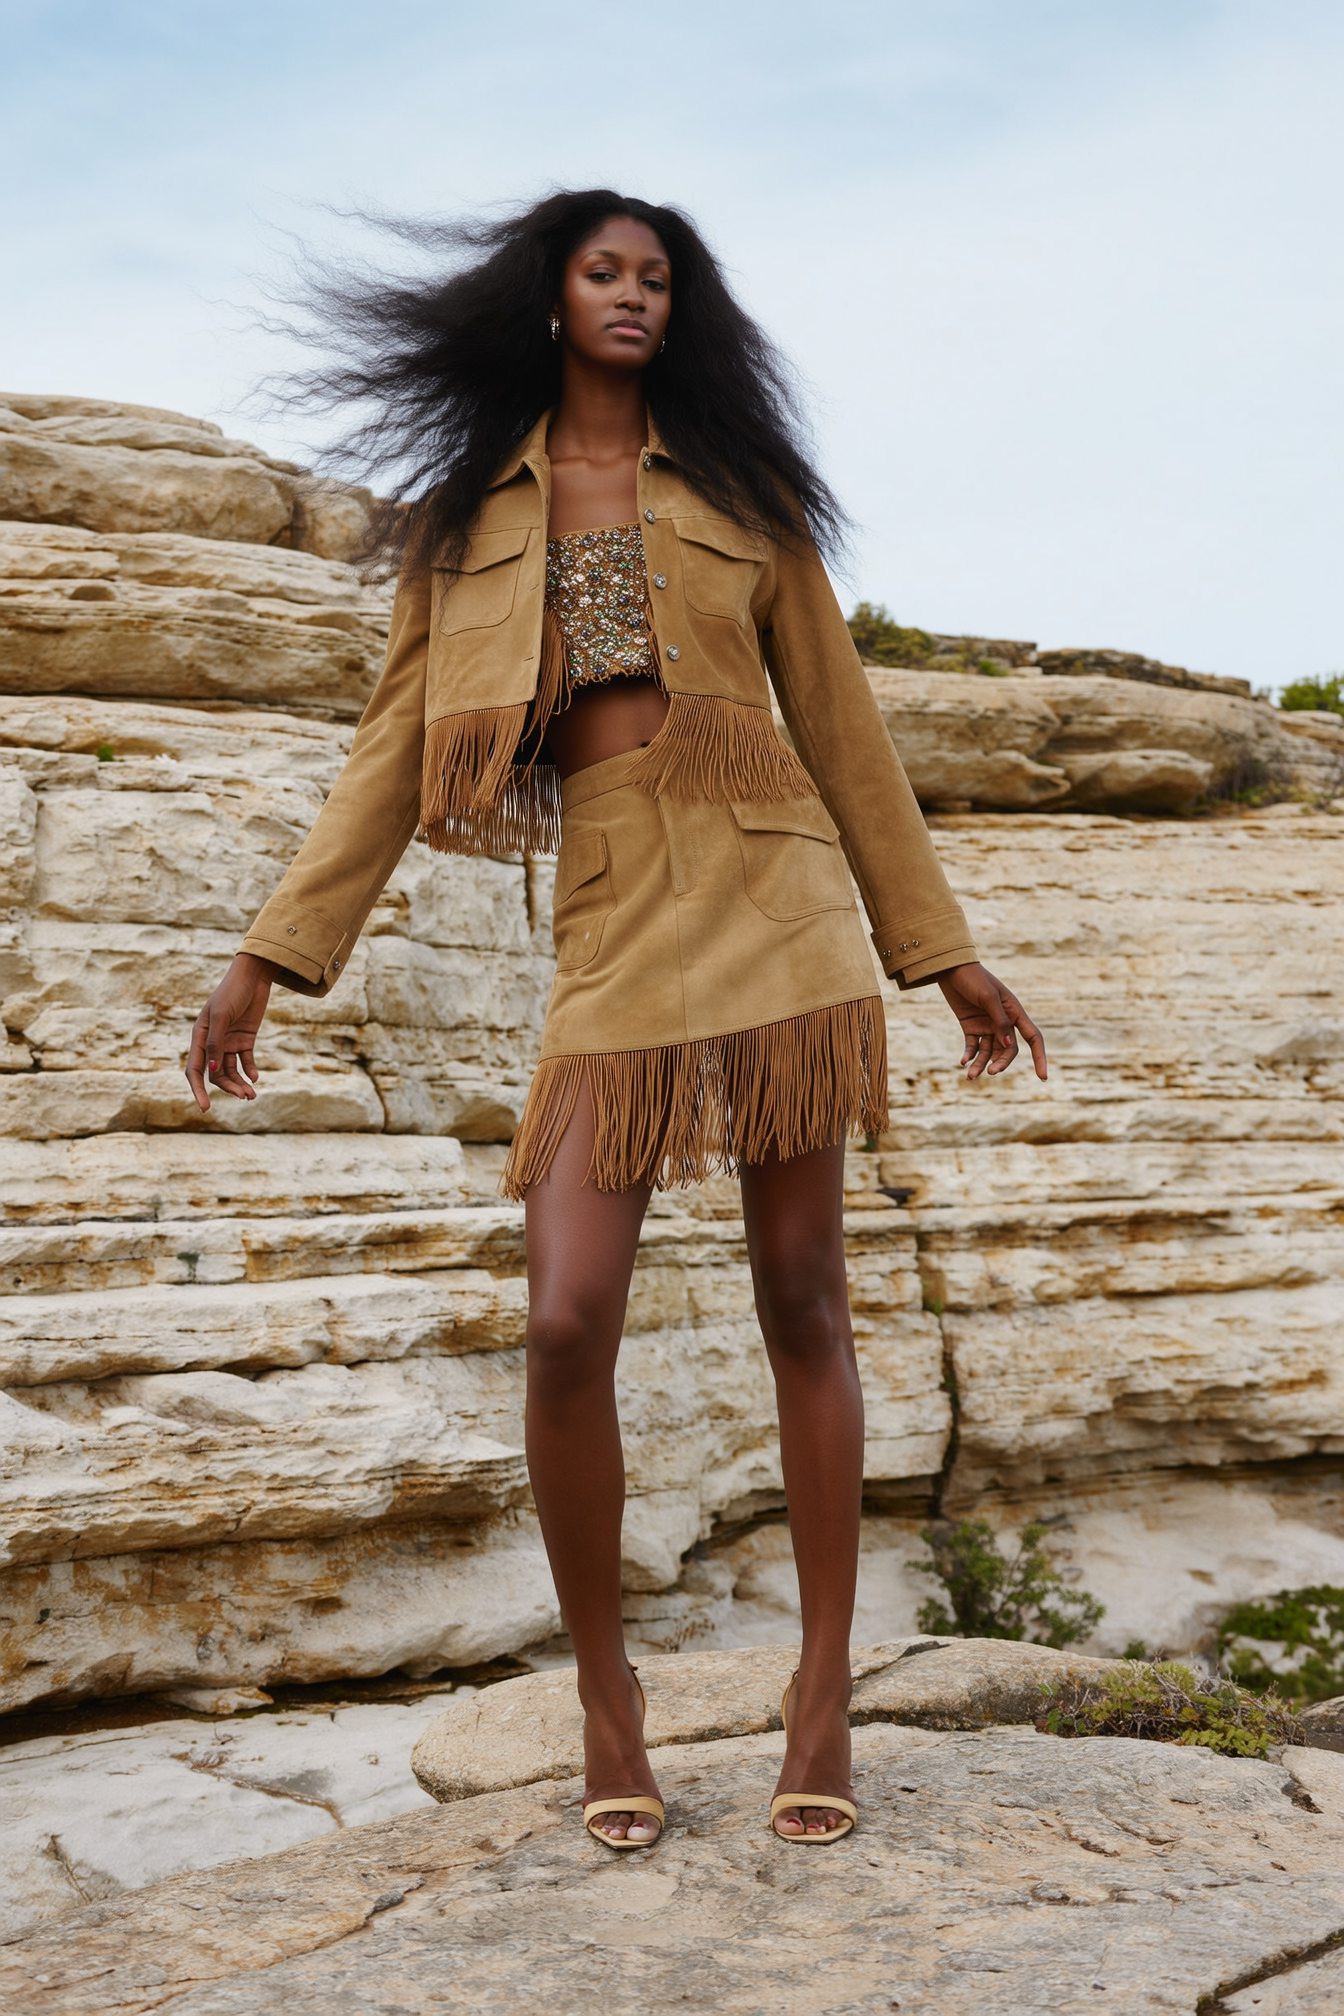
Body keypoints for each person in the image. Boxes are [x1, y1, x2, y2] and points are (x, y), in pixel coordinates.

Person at [186, 190, 1047, 1851]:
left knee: (802, 1291)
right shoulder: (465, 522)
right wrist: (271, 958)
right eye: (606, 272)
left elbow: (847, 733)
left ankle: (818, 1698)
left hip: (781, 889)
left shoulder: (747, 494)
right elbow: (386, 757)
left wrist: (940, 953)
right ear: (551, 296)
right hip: (612, 913)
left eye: (659, 277)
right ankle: (608, 1701)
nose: (634, 296)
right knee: (569, 1319)